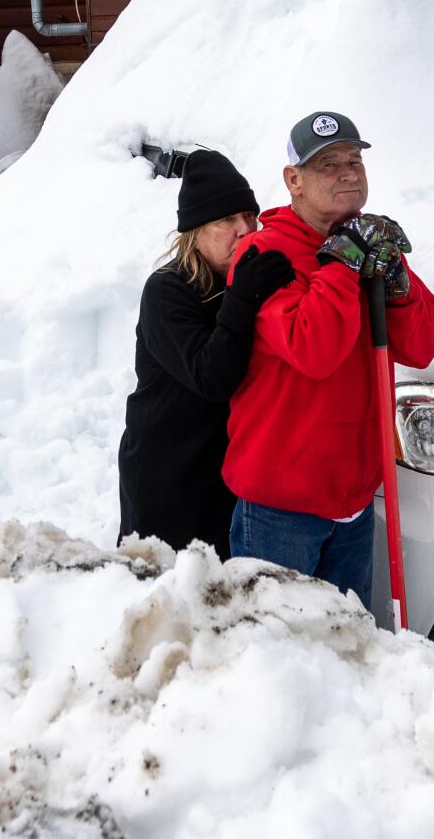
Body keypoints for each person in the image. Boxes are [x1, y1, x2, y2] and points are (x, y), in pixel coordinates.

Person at [224, 112, 434, 607]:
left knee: (350, 655)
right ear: (293, 180)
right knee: (275, 653)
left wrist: (397, 285)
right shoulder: (264, 255)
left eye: (355, 159)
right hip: (279, 505)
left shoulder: (368, 242)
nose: (348, 172)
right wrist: (342, 265)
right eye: (327, 164)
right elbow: (313, 349)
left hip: (353, 500)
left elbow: (424, 345)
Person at [118, 150, 294, 560]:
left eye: (249, 216)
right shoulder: (167, 290)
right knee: (166, 603)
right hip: (167, 474)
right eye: (226, 220)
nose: (244, 230)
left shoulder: (247, 279)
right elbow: (211, 376)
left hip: (226, 475)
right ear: (195, 231)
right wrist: (242, 298)